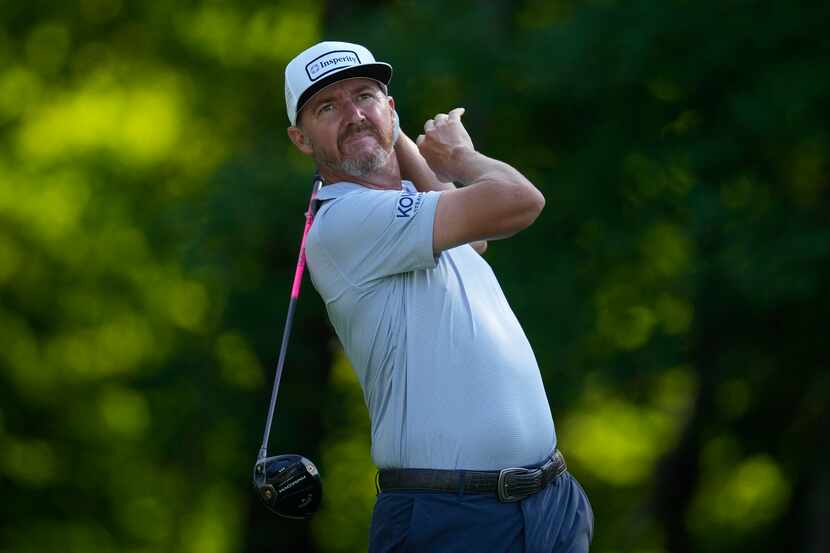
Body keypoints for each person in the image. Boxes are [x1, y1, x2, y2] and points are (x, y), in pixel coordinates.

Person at [283, 41, 594, 552]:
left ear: (392, 109)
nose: (353, 114)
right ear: (300, 139)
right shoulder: (342, 223)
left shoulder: (417, 209)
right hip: (452, 517)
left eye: (365, 96)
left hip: (550, 504)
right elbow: (518, 201)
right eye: (327, 108)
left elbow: (476, 242)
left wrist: (393, 134)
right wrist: (460, 157)